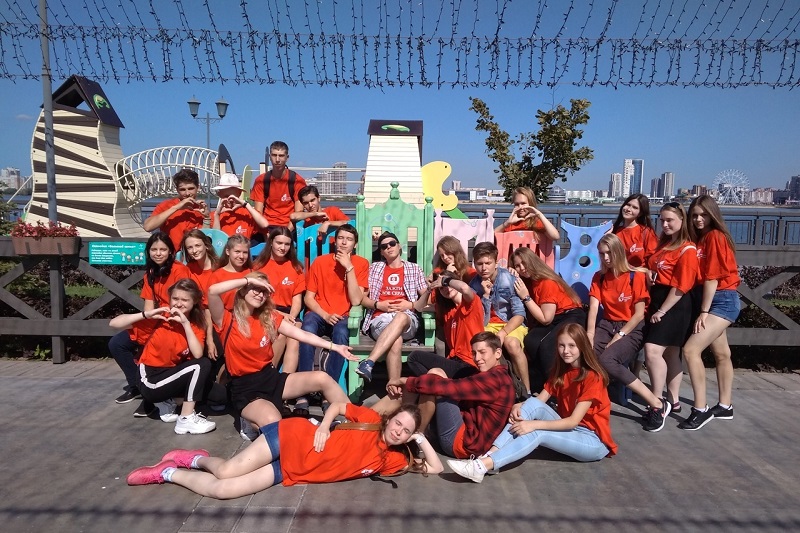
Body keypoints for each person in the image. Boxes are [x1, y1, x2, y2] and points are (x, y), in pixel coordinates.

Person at [126, 403, 444, 497]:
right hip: (293, 437)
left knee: (224, 490)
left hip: (293, 470)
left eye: (405, 430)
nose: (398, 430)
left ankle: (169, 471)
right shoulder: (372, 419)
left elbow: (436, 468)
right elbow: (337, 405)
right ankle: (195, 459)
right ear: (390, 418)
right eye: (398, 423)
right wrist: (324, 426)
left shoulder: (392, 460)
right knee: (226, 471)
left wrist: (420, 438)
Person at [447, 324, 617, 483]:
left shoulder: (593, 377)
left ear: (582, 346)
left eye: (571, 346)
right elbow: (538, 402)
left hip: (592, 439)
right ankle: (489, 455)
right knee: (531, 405)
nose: (566, 351)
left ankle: (482, 467)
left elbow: (573, 421)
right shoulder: (561, 371)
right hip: (570, 430)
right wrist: (520, 406)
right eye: (561, 345)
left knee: (537, 433)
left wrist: (533, 424)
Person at [208, 272, 354, 438]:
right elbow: (212, 291)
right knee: (275, 423)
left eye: (264, 291)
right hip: (246, 388)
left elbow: (302, 335)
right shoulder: (226, 320)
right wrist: (248, 280)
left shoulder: (267, 317)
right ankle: (249, 420)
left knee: (322, 378)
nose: (260, 294)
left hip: (270, 378)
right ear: (243, 289)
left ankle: (360, 422)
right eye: (255, 288)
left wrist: (335, 347)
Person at [109, 278, 216, 434]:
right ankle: (186, 418)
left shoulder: (194, 324)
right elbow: (114, 323)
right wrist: (146, 314)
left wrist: (185, 324)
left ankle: (170, 400)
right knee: (202, 364)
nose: (179, 303)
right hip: (150, 379)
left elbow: (197, 352)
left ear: (194, 302)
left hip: (171, 375)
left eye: (185, 300)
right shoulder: (160, 318)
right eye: (175, 298)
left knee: (219, 395)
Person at [386, 332, 515, 459]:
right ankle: (406, 425)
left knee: (434, 383)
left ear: (498, 353)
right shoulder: (499, 376)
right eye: (474, 353)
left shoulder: (493, 380)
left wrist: (405, 381)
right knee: (433, 378)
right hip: (468, 430)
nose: (477, 358)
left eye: (482, 352)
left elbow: (448, 387)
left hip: (460, 443)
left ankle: (414, 439)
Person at [585, 234, 671, 423]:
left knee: (608, 359)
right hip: (606, 324)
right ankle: (591, 401)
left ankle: (657, 403)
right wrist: (590, 334)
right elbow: (593, 308)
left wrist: (619, 335)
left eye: (609, 253)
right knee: (587, 355)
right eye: (602, 254)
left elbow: (639, 314)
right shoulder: (599, 277)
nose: (606, 258)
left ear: (618, 252)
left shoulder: (635, 276)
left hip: (632, 327)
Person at [108, 232, 190, 417]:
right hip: (156, 318)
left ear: (171, 252)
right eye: (154, 249)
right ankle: (137, 386)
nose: (158, 253)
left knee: (154, 346)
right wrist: (147, 321)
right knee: (117, 343)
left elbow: (183, 303)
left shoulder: (180, 271)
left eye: (163, 249)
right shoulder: (151, 273)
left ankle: (151, 396)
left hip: (174, 320)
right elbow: (148, 304)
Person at [679, 195, 741, 430]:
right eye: (694, 215)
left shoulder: (715, 237)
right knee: (722, 354)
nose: (698, 219)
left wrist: (704, 311)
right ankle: (725, 406)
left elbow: (712, 278)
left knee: (691, 350)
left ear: (713, 214)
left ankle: (700, 409)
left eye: (704, 214)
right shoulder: (702, 238)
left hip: (721, 300)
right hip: (712, 299)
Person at [297, 224, 368, 413]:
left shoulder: (361, 264)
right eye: (341, 238)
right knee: (307, 329)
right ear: (335, 241)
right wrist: (325, 315)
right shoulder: (320, 262)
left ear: (355, 244)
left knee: (342, 333)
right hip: (320, 313)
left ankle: (328, 391)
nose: (344, 242)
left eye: (349, 239)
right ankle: (303, 391)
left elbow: (356, 300)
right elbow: (308, 298)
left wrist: (349, 268)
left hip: (344, 316)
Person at [643, 202, 700, 432]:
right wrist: (649, 272)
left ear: (681, 221)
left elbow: (681, 285)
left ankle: (657, 402)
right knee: (670, 352)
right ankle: (674, 400)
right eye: (662, 220)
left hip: (674, 304)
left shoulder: (687, 249)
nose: (665, 224)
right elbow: (654, 265)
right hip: (658, 299)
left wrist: (662, 311)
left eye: (670, 220)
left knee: (652, 350)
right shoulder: (664, 244)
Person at [355, 231, 428, 383]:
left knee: (401, 317)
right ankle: (393, 388)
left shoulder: (414, 269)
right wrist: (378, 304)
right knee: (396, 340)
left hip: (408, 319)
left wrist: (411, 304)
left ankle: (369, 362)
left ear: (399, 246)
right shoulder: (374, 269)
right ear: (381, 252)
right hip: (380, 318)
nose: (389, 247)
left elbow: (428, 299)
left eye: (392, 243)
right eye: (384, 246)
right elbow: (361, 298)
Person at [511, 247, 584, 394]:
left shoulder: (546, 282)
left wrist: (526, 297)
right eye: (517, 265)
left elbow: (546, 319)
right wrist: (511, 273)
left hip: (570, 315)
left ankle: (559, 390)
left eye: (524, 263)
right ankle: (542, 383)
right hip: (556, 317)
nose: (522, 268)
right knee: (531, 340)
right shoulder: (531, 281)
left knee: (548, 347)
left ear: (532, 261)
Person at [469, 241, 531, 397]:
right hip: (487, 324)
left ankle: (526, 390)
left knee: (511, 343)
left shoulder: (509, 279)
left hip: (510, 323)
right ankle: (491, 388)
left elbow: (519, 314)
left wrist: (503, 332)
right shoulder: (474, 284)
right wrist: (485, 296)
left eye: (488, 263)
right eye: (479, 264)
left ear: (496, 263)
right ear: (474, 264)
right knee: (481, 345)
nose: (484, 268)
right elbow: (478, 316)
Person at [252, 227, 306, 371]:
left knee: (294, 336)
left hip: (289, 312)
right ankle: (271, 373)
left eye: (287, 244)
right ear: (271, 242)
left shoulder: (296, 268)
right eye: (279, 243)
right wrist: (281, 316)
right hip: (265, 309)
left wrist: (291, 317)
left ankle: (287, 378)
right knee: (282, 333)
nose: (283, 248)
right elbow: (257, 301)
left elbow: (297, 300)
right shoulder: (258, 266)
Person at [249, 141, 307, 239]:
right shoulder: (261, 180)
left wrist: (285, 234)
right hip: (267, 226)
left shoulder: (297, 180)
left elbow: (298, 212)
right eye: (274, 155)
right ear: (269, 157)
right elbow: (258, 212)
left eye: (281, 156)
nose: (277, 159)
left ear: (287, 157)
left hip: (289, 226)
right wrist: (266, 236)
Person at [143, 168, 208, 252]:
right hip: (172, 256)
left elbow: (208, 238)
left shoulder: (201, 208)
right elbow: (148, 227)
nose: (187, 193)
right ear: (177, 190)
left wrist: (207, 217)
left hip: (194, 256)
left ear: (198, 188)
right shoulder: (166, 206)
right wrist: (176, 208)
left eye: (191, 188)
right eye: (182, 189)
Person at [181, 229, 220, 362]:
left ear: (206, 245)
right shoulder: (188, 269)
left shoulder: (219, 268)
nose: (194, 250)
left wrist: (209, 339)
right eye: (190, 247)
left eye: (197, 245)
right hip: (197, 316)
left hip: (217, 318)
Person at [210, 172, 269, 238]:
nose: (230, 200)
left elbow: (265, 225)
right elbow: (216, 238)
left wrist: (245, 204)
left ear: (239, 193)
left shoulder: (248, 214)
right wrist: (217, 214)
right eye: (226, 196)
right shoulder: (214, 215)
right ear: (220, 194)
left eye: (233, 196)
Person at [494, 186, 560, 243]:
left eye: (523, 203)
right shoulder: (511, 224)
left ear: (531, 204)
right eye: (517, 204)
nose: (520, 207)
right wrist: (507, 223)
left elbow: (555, 236)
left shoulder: (537, 223)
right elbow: (492, 236)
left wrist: (540, 215)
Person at [206, 234, 253, 311]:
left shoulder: (251, 273)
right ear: (228, 251)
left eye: (245, 252)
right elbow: (208, 307)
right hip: (225, 316)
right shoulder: (217, 275)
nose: (241, 256)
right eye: (237, 251)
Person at [612, 193, 658, 268]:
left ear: (640, 213)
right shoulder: (614, 231)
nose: (628, 209)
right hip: (617, 273)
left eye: (635, 207)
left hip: (638, 274)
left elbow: (653, 258)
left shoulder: (646, 232)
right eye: (628, 205)